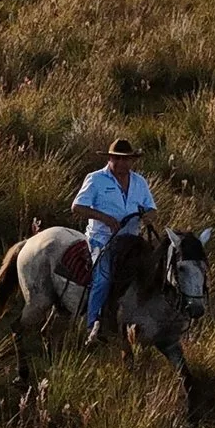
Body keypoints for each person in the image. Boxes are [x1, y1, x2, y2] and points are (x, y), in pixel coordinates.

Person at [71, 138, 156, 343]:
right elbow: (78, 207)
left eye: (126, 159)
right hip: (102, 240)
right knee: (103, 278)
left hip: (131, 241)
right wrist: (105, 218)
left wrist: (148, 216)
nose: (122, 163)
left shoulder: (139, 182)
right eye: (118, 159)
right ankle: (93, 326)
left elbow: (152, 208)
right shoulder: (96, 179)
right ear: (110, 158)